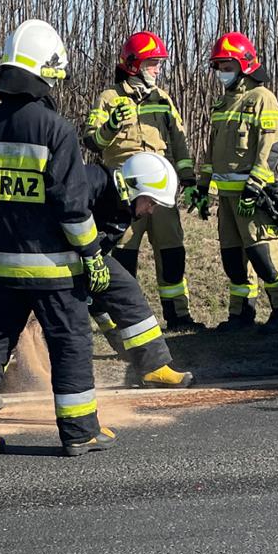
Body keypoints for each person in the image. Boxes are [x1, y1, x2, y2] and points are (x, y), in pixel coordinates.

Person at [0, 19, 117, 458]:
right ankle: (80, 432)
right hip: (55, 267)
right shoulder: (55, 130)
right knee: (70, 342)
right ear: (43, 74)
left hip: (2, 264)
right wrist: (92, 252)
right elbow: (71, 204)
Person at [81, 32, 204, 333]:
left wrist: (188, 180)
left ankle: (178, 316)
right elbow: (92, 141)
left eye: (159, 63)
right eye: (152, 63)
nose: (157, 69)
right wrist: (111, 126)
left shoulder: (162, 99)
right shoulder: (109, 98)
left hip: (160, 191)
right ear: (134, 65)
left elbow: (179, 142)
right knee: (123, 257)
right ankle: (122, 319)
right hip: (125, 194)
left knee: (172, 251)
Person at [182, 31, 278, 334]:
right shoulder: (222, 105)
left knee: (264, 255)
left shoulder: (262, 99)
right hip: (227, 200)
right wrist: (203, 187)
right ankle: (241, 315)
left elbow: (270, 146)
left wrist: (255, 187)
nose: (222, 72)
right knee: (233, 260)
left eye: (227, 65)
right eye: (218, 66)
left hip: (253, 197)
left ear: (244, 64)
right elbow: (211, 151)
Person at [81, 152, 196, 388]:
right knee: (15, 317)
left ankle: (153, 367)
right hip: (48, 259)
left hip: (85, 259)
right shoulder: (92, 180)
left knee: (124, 288)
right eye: (151, 202)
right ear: (134, 186)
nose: (151, 210)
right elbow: (68, 214)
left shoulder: (124, 211)